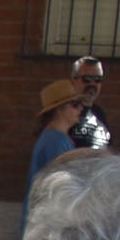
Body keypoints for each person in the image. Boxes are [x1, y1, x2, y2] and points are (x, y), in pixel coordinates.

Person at [23, 79, 85, 226]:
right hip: (48, 221)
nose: (80, 109)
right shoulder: (55, 141)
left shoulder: (55, 138)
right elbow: (62, 186)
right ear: (59, 109)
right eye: (75, 104)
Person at [68, 56, 113, 150]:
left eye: (97, 79)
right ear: (73, 81)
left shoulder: (99, 112)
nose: (92, 84)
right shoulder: (65, 112)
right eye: (86, 79)